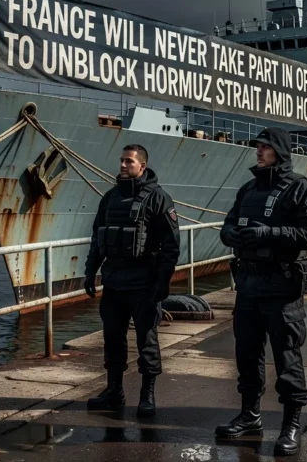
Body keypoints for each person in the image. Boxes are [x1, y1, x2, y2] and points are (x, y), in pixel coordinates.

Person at [214, 127, 307, 456]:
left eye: (265, 147)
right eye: (258, 147)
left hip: (282, 288)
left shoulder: (300, 190)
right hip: (248, 287)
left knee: (287, 357)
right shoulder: (248, 189)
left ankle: (291, 424)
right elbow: (227, 227)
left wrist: (270, 234)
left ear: (279, 150)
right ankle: (250, 415)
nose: (259, 152)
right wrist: (235, 236)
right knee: (247, 356)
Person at [83, 144, 181, 417]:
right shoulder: (110, 197)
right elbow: (97, 238)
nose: (123, 165)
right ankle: (114, 391)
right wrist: (90, 271)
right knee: (112, 340)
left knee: (146, 340)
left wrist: (163, 281)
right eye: (122, 161)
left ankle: (147, 395)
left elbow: (171, 245)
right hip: (114, 282)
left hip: (144, 284)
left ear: (142, 166)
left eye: (129, 161)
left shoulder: (158, 198)